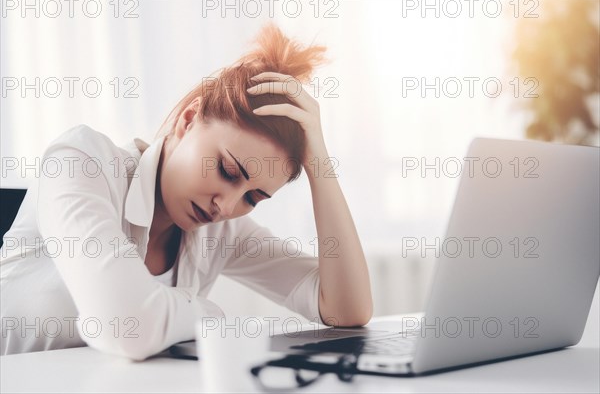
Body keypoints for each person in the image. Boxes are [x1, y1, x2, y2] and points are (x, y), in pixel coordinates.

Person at [0, 23, 372, 360]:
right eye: (227, 171)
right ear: (189, 119)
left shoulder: (221, 231)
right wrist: (208, 313)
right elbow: (127, 327)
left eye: (253, 197)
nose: (225, 206)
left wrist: (318, 164)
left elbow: (347, 311)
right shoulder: (82, 162)